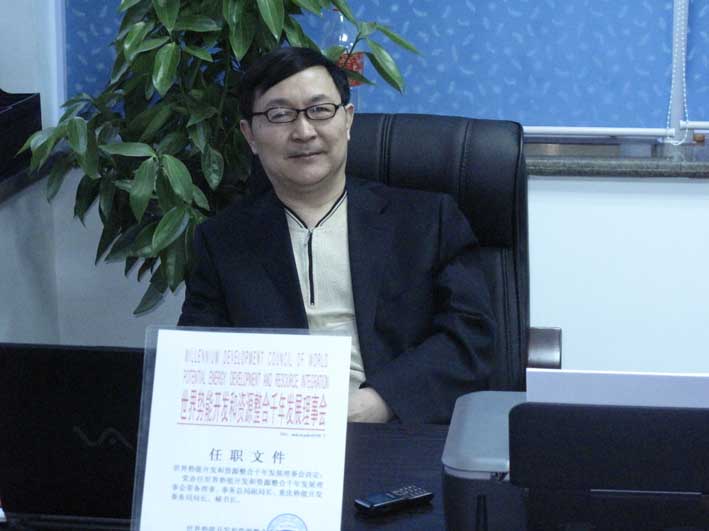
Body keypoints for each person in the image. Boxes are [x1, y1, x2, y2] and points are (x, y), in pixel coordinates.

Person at [178, 46, 495, 424]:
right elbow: (199, 359)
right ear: (250, 135)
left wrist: (377, 403)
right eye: (279, 115)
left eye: (319, 110)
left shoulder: (428, 220)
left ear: (347, 120)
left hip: (397, 428)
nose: (303, 131)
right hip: (276, 431)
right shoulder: (223, 240)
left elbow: (469, 336)